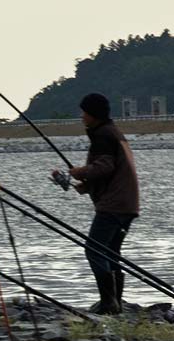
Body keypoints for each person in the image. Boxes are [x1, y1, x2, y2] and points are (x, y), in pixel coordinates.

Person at [52, 92, 140, 314]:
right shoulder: (113, 132)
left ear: (93, 114)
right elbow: (112, 170)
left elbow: (105, 167)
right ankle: (115, 302)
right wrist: (84, 185)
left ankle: (109, 302)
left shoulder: (103, 135)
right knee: (111, 252)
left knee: (94, 249)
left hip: (114, 205)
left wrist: (77, 172)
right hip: (128, 203)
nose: (82, 116)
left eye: (84, 112)